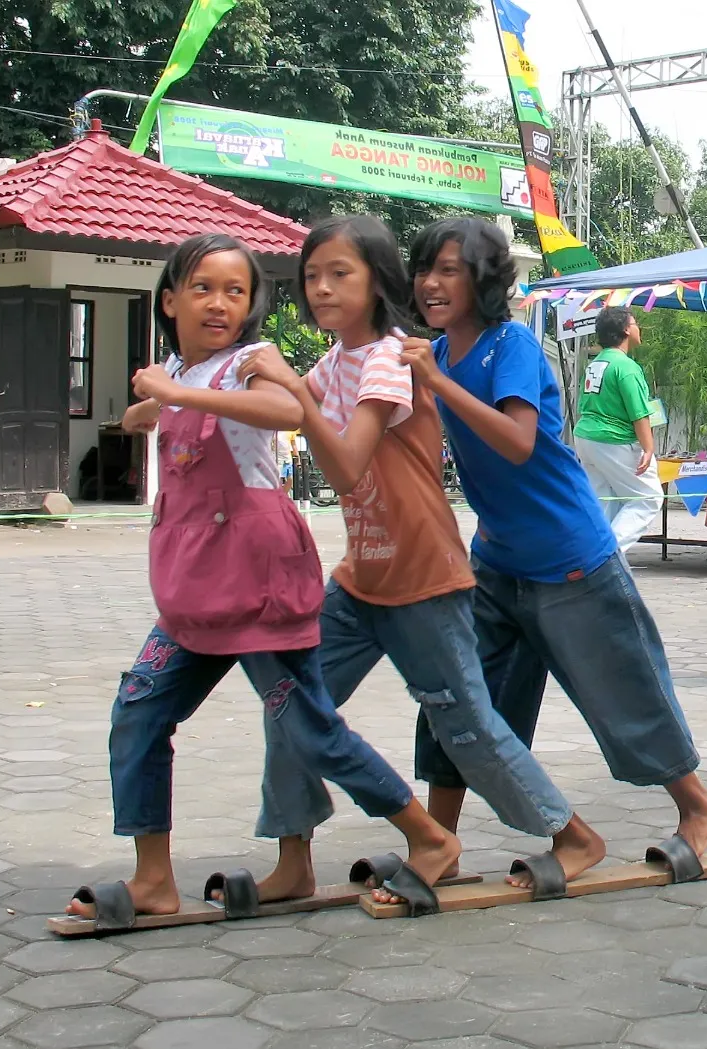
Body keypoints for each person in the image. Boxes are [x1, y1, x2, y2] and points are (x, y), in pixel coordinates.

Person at [66, 234, 461, 927]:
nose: (220, 303)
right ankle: (153, 877)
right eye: (203, 288)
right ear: (169, 300)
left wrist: (172, 391)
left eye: (236, 291)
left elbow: (284, 413)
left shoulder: (253, 360)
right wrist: (144, 409)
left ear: (251, 307)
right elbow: (168, 404)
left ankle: (428, 834)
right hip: (192, 592)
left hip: (261, 585)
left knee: (308, 729)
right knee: (138, 709)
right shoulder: (176, 368)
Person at [239, 215, 604, 905]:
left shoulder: (393, 356)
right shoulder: (334, 361)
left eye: (338, 274)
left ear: (378, 282)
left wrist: (289, 388)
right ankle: (293, 857)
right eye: (311, 276)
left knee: (468, 726)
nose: (320, 288)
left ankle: (572, 835)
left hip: (424, 579)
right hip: (362, 579)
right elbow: (285, 408)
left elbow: (345, 466)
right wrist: (185, 399)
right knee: (289, 700)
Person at [399, 216, 707, 875]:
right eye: (425, 268)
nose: (432, 283)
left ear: (485, 280)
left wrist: (437, 389)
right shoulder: (437, 357)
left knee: (621, 692)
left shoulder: (511, 346)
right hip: (495, 563)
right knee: (461, 698)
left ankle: (698, 807)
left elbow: (517, 441)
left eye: (450, 269)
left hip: (568, 559)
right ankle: (439, 840)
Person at [574, 305, 661, 554]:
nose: (638, 328)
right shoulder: (626, 367)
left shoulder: (596, 364)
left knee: (605, 502)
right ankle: (605, 558)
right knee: (647, 499)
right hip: (614, 440)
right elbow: (639, 413)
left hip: (587, 437)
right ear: (625, 329)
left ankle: (588, 556)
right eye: (635, 323)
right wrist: (648, 448)